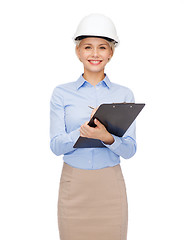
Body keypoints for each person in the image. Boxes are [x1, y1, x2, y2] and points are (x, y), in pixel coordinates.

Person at [50, 13, 136, 240]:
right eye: (88, 47)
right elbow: (56, 146)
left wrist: (107, 137)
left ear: (111, 53)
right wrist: (83, 131)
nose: (95, 54)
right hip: (74, 185)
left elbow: (130, 150)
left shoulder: (124, 94)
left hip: (110, 185)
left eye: (102, 47)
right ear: (78, 52)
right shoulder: (61, 93)